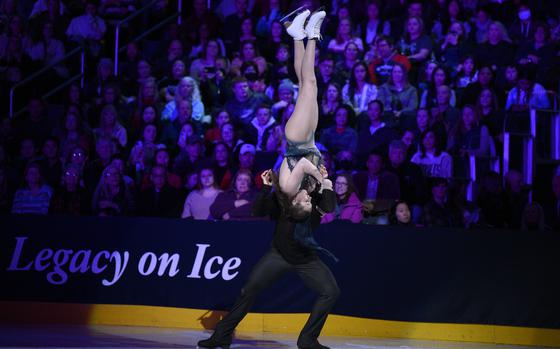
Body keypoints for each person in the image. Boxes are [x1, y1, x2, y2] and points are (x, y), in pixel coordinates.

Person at [199, 165, 337, 349]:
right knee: (247, 291)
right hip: (278, 254)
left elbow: (329, 206)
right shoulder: (283, 198)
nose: (308, 186)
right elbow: (258, 210)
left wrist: (326, 182)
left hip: (305, 259)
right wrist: (266, 186)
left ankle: (307, 339)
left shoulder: (317, 199)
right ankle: (222, 336)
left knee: (331, 292)